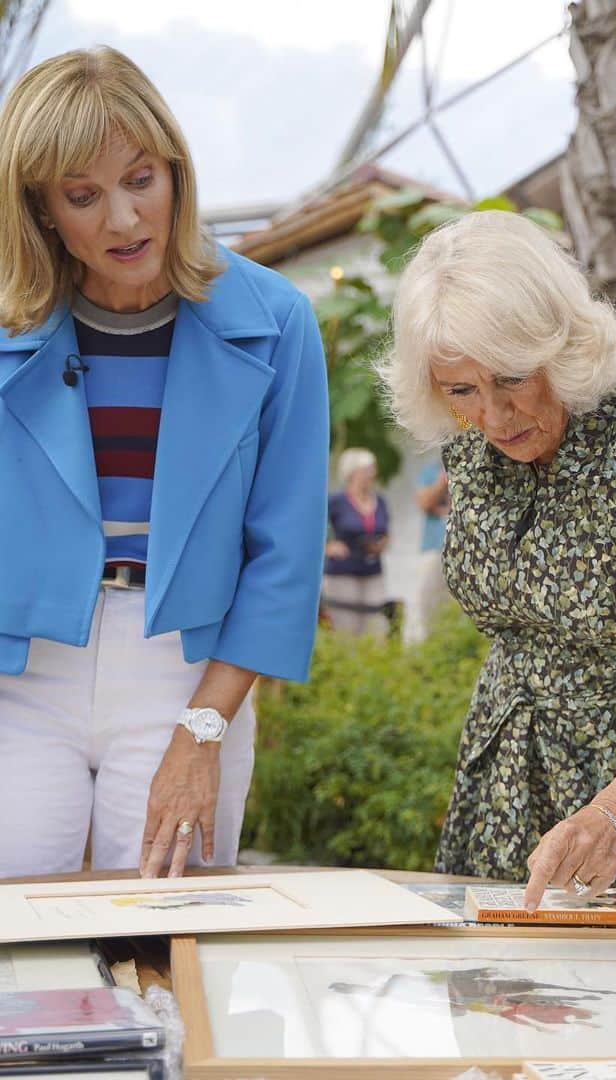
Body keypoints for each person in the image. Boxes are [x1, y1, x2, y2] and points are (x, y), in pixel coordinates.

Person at [379, 211, 616, 922]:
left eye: (511, 378)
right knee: (503, 1012)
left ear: (555, 343)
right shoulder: (470, 443)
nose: (493, 416)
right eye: (462, 391)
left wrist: (615, 814)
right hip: (509, 781)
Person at [0, 48, 328, 881]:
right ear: (40, 210)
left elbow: (285, 555)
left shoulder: (280, 321)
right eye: (83, 196)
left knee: (164, 942)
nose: (121, 219)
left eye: (140, 179)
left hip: (189, 676)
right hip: (19, 675)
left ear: (176, 172)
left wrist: (205, 730)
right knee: (19, 942)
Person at [323, 447, 390, 637]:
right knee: (346, 632)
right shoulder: (336, 502)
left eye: (373, 469)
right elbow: (311, 526)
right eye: (368, 469)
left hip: (373, 572)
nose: (373, 474)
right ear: (353, 473)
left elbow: (386, 531)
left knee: (377, 629)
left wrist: (382, 544)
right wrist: (328, 547)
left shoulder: (380, 501)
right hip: (343, 574)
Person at [413, 460, 451, 636]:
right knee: (429, 603)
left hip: (464, 550)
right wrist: (442, 483)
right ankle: (430, 642)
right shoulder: (430, 472)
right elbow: (425, 503)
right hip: (433, 549)